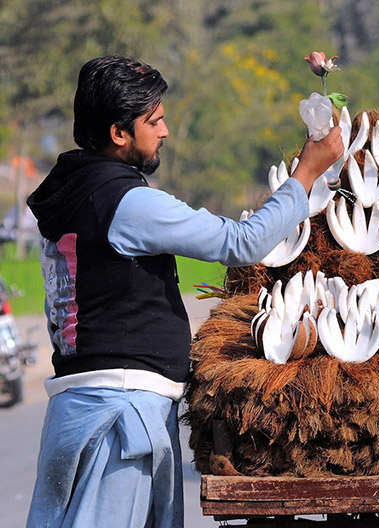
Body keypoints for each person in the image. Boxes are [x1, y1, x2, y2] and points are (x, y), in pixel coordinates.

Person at [25, 55, 343, 528]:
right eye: (153, 121)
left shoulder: (70, 195)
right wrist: (306, 174)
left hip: (78, 413)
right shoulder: (126, 204)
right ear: (118, 133)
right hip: (120, 417)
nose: (165, 131)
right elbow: (242, 243)